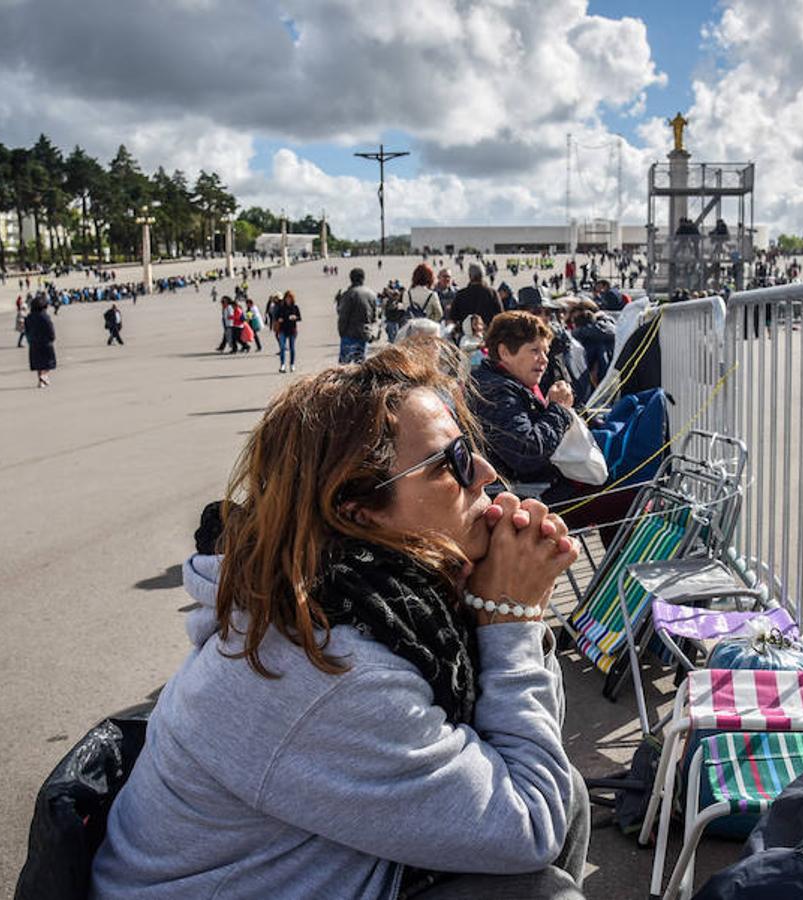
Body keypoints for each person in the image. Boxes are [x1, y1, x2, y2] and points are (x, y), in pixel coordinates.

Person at [91, 343, 589, 899]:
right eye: (451, 462)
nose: (486, 473)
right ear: (357, 513)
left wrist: (501, 608)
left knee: (564, 793)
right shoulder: (333, 667)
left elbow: (532, 764)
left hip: (296, 872)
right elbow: (529, 823)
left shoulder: (367, 600)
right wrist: (512, 618)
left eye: (469, 448)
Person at [471, 312, 633, 547]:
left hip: (531, 490)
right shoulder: (497, 390)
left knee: (621, 486)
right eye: (535, 351)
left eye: (545, 351)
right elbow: (527, 451)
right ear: (505, 352)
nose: (544, 359)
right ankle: (617, 577)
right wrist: (558, 410)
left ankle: (615, 574)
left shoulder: (500, 383)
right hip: (525, 500)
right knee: (628, 498)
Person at [336, 267, 377, 364]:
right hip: (364, 333)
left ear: (351, 279)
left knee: (344, 366)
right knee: (359, 365)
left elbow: (343, 316)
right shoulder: (371, 294)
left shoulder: (349, 294)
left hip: (349, 334)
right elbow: (374, 317)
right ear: (363, 278)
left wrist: (341, 332)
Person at [449, 263, 504, 332]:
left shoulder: (461, 294)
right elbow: (500, 315)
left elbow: (453, 316)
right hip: (487, 333)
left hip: (465, 334)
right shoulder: (492, 293)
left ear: (470, 276)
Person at [24, 296, 56, 388]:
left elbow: (27, 330)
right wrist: (52, 338)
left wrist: (29, 340)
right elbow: (50, 329)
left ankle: (41, 381)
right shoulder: (45, 316)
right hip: (45, 342)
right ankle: (43, 376)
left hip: (33, 343)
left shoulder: (29, 317)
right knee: (48, 363)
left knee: (38, 363)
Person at [274, 290, 301, 373]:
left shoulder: (295, 307)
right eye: (287, 298)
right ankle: (282, 365)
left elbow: (299, 318)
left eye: (290, 298)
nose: (288, 300)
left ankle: (292, 364)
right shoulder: (281, 308)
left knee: (292, 348)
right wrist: (279, 319)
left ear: (292, 299)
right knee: (282, 347)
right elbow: (276, 317)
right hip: (282, 329)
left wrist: (295, 317)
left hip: (292, 330)